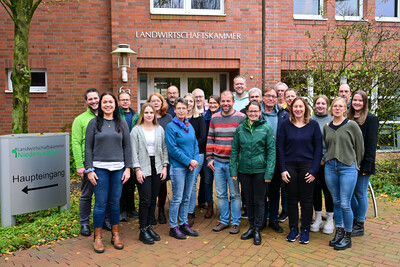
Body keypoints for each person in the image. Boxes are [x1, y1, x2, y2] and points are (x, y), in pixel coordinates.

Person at [84, 92, 132, 253]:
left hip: (118, 169)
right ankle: (98, 237)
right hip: (99, 169)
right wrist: (89, 169)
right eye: (105, 102)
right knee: (100, 203)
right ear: (100, 104)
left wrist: (128, 168)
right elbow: (88, 148)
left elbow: (127, 147)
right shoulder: (93, 123)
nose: (108, 105)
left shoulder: (122, 123)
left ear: (115, 104)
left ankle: (115, 234)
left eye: (110, 102)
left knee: (115, 203)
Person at [230, 101, 276, 245]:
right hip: (244, 170)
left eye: (256, 111)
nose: (253, 114)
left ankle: (257, 229)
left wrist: (269, 173)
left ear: (260, 112)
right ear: (247, 112)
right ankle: (251, 227)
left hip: (260, 171)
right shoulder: (240, 129)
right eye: (251, 111)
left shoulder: (266, 129)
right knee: (248, 201)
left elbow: (271, 153)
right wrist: (233, 170)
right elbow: (234, 151)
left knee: (259, 201)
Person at [277, 97, 322, 244]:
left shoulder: (313, 125)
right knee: (291, 199)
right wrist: (282, 169)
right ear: (291, 108)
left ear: (305, 108)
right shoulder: (285, 125)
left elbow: (318, 150)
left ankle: (305, 230)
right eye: (295, 106)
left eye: (300, 107)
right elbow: (280, 148)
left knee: (307, 200)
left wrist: (314, 170)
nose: (298, 109)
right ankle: (293, 229)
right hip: (289, 166)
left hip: (307, 166)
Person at [324, 97, 364, 250]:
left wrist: (356, 165)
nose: (337, 108)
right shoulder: (327, 127)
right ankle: (339, 231)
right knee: (336, 202)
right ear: (331, 108)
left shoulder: (352, 125)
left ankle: (348, 236)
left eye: (340, 106)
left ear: (345, 109)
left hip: (347, 167)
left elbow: (359, 148)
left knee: (345, 203)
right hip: (330, 167)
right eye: (335, 106)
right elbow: (327, 146)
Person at [207, 90, 245, 234]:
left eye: (228, 101)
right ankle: (224, 220)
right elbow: (210, 138)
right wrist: (209, 158)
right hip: (218, 162)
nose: (225, 103)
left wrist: (239, 161)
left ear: (233, 102)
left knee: (235, 194)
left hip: (233, 164)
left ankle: (235, 222)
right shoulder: (214, 118)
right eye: (223, 101)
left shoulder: (241, 118)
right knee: (221, 194)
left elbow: (244, 141)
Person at [131, 103, 169, 245]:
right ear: (142, 114)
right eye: (146, 112)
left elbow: (165, 149)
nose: (148, 115)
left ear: (154, 114)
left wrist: (165, 166)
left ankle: (149, 227)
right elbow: (133, 152)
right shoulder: (136, 131)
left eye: (151, 113)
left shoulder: (159, 129)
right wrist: (137, 169)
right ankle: (142, 230)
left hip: (157, 166)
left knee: (153, 199)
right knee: (145, 199)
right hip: (143, 167)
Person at [165, 97, 200, 239]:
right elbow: (172, 149)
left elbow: (195, 145)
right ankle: (173, 226)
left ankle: (184, 224)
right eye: (178, 108)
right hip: (179, 167)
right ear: (174, 110)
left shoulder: (189, 125)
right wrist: (189, 161)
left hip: (191, 167)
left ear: (188, 110)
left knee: (187, 197)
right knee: (177, 198)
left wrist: (195, 161)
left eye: (184, 108)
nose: (181, 111)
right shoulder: (170, 127)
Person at [349, 90, 379, 237]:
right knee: (350, 193)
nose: (357, 103)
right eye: (355, 100)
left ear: (365, 102)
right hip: (349, 163)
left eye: (360, 101)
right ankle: (355, 218)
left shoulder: (371, 119)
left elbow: (372, 144)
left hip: (363, 164)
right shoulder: (347, 118)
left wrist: (367, 165)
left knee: (360, 193)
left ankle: (360, 224)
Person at [72, 88, 101, 236]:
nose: (94, 101)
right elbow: (76, 142)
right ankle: (84, 223)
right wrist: (80, 165)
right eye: (90, 99)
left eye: (95, 98)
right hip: (88, 162)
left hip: (104, 161)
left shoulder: (106, 116)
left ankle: (104, 220)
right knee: (86, 194)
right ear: (86, 102)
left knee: (104, 194)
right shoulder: (80, 119)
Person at [260, 87, 289, 233]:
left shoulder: (283, 114)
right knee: (261, 191)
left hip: (277, 159)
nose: (271, 98)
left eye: (274, 96)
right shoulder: (255, 113)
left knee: (274, 191)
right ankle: (261, 219)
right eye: (268, 96)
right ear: (263, 98)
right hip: (260, 159)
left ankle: (273, 219)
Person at [147, 93, 173, 224]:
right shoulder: (147, 117)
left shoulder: (168, 117)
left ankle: (161, 211)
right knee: (150, 185)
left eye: (158, 101)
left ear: (162, 103)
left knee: (162, 185)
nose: (156, 103)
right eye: (153, 101)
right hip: (149, 157)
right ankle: (151, 213)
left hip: (164, 156)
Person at [310, 95, 334, 234]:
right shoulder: (310, 120)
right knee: (315, 191)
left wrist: (324, 158)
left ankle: (330, 218)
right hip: (313, 162)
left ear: (327, 105)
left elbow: (333, 142)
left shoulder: (331, 120)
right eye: (318, 103)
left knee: (328, 191)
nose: (320, 106)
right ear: (314, 105)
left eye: (323, 103)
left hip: (328, 162)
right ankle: (318, 217)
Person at [184, 93, 206, 227]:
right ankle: (183, 209)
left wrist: (190, 148)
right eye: (186, 101)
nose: (188, 104)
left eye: (191, 101)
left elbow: (203, 137)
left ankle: (189, 212)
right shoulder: (179, 119)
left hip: (197, 154)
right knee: (183, 183)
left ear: (194, 103)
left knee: (192, 183)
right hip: (183, 156)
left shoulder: (199, 118)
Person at [118, 90, 139, 221]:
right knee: (122, 182)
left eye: (127, 99)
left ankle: (131, 208)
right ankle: (122, 209)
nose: (125, 101)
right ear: (119, 102)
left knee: (132, 183)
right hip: (120, 152)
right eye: (122, 99)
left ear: (130, 101)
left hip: (133, 152)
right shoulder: (116, 115)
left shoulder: (136, 115)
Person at [203, 95, 221, 219]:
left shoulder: (222, 116)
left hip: (221, 153)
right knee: (208, 180)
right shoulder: (205, 117)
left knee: (222, 182)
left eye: (215, 103)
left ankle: (224, 206)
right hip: (208, 153)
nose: (213, 105)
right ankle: (210, 204)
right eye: (211, 103)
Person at [192, 88, 208, 210]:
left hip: (206, 150)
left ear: (204, 98)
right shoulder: (189, 114)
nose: (198, 99)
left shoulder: (208, 111)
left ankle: (203, 200)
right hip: (193, 151)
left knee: (205, 178)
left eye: (200, 96)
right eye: (195, 97)